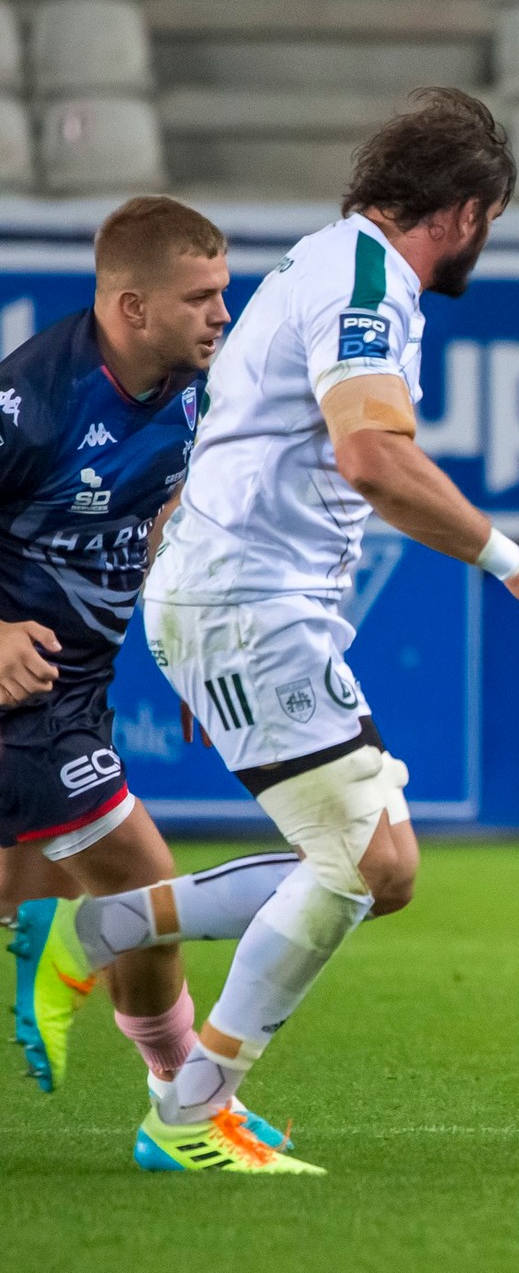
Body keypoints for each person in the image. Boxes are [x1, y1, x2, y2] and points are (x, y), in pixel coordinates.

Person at [120, 88, 519, 1176]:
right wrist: (514, 564)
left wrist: (199, 634)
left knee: (373, 864)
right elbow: (372, 456)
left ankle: (105, 935)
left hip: (236, 600)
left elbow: (230, 445)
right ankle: (190, 1112)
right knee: (360, 858)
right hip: (247, 601)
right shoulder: (366, 284)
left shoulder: (313, 261)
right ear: (471, 211)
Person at [0, 198, 291, 1155]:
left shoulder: (197, 395)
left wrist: (190, 642)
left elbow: (169, 512)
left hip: (81, 689)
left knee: (26, 890)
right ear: (131, 307)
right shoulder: (33, 401)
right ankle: (185, 1102)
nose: (223, 314)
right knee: (145, 892)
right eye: (201, 296)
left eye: (227, 293)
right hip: (27, 694)